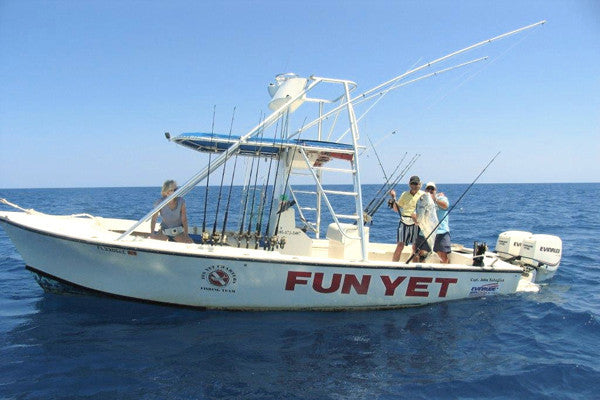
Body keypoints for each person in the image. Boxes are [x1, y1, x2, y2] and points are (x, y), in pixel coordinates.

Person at [389, 175, 424, 262]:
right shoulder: (404, 194)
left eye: (416, 184)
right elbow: (396, 209)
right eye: (413, 184)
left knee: (415, 247)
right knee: (400, 245)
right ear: (409, 184)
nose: (414, 186)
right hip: (404, 222)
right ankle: (394, 265)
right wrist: (394, 198)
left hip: (417, 223)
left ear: (420, 184)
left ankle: (414, 269)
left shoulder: (423, 195)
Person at [422, 182, 451, 263]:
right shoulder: (422, 199)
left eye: (432, 189)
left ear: (435, 191)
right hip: (426, 232)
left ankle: (445, 274)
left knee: (443, 256)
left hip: (441, 231)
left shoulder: (442, 198)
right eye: (428, 189)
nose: (430, 190)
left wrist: (435, 199)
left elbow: (446, 206)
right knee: (422, 255)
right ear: (425, 190)